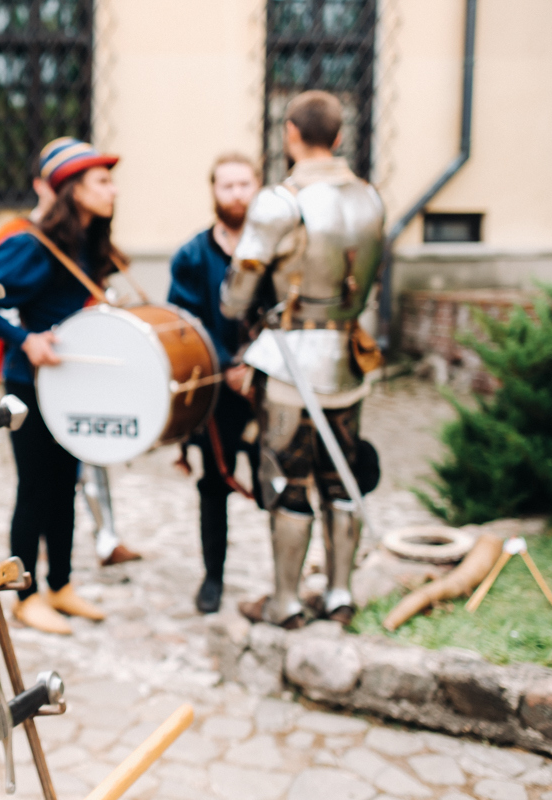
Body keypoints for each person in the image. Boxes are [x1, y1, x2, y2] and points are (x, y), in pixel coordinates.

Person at [220, 91, 385, 628]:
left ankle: (286, 601)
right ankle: (339, 594)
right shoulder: (370, 198)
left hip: (291, 361)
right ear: (338, 137)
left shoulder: (279, 200)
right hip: (347, 358)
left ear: (291, 133)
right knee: (343, 478)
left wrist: (239, 302)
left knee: (287, 480)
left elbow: (236, 296)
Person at [0, 137, 121, 634]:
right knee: (34, 489)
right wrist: (24, 339)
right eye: (102, 180)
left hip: (72, 383)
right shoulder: (31, 243)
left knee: (65, 486)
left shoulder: (87, 241)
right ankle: (24, 594)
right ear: (73, 189)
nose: (112, 189)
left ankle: (61, 585)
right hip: (30, 384)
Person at [167, 153, 263, 614]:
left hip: (267, 387)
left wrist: (256, 365)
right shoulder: (191, 255)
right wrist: (227, 367)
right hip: (218, 392)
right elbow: (184, 324)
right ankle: (214, 577)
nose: (237, 193)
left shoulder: (275, 250)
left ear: (257, 187)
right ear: (214, 191)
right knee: (214, 485)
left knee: (279, 478)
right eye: (228, 186)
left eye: (245, 184)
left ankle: (283, 580)